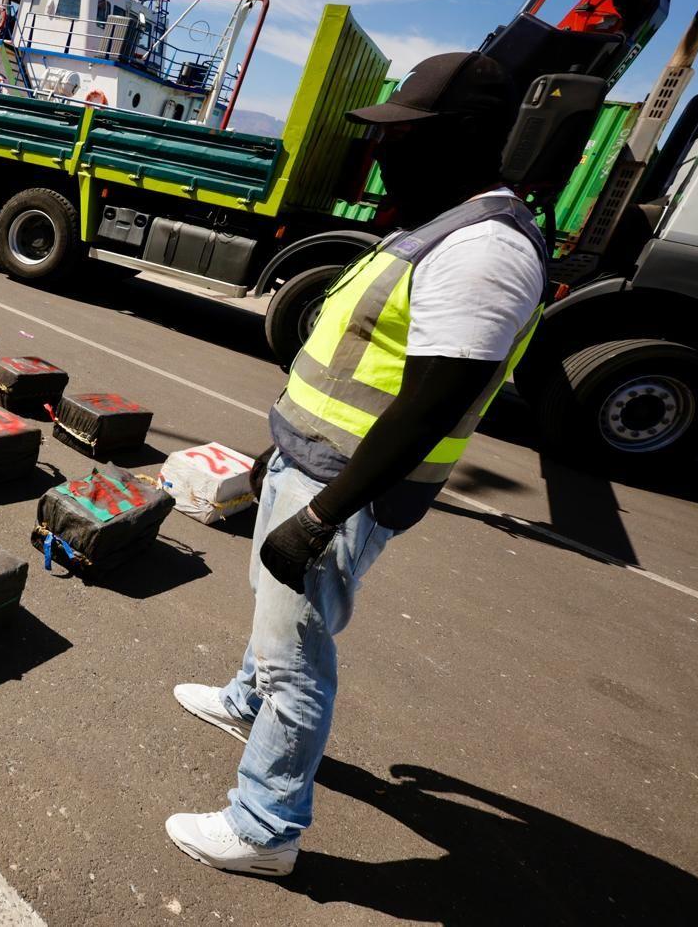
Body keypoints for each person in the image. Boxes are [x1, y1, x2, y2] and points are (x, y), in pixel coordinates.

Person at [164, 51, 544, 878]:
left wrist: (322, 512)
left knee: (297, 656)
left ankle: (265, 830)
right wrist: (283, 445)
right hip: (316, 464)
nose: (382, 152)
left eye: (403, 136)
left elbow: (431, 404)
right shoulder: (437, 223)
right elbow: (354, 366)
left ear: (465, 142)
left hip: (345, 491)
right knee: (277, 619)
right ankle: (241, 701)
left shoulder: (485, 251)